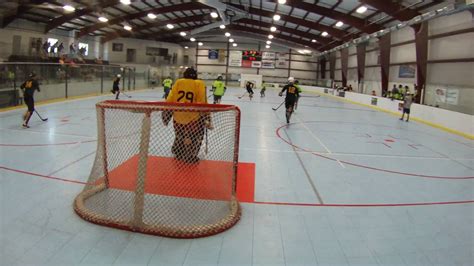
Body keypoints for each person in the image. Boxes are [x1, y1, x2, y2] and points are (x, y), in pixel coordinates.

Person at [162, 67, 212, 163]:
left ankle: (178, 152)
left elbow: (170, 99)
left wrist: (166, 115)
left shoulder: (178, 82)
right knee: (194, 136)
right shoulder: (199, 84)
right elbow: (202, 102)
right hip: (193, 118)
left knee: (180, 135)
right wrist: (207, 117)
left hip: (178, 116)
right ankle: (190, 155)